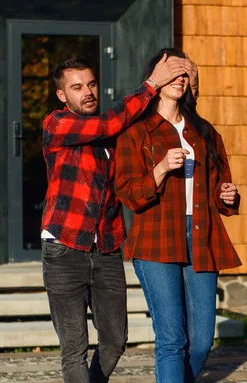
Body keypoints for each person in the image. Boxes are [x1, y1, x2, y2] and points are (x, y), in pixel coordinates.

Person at [41, 56, 197, 383]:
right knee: (74, 348)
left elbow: (142, 124)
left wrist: (184, 86)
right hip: (64, 247)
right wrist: (151, 83)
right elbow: (108, 124)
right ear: (62, 95)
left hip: (108, 248)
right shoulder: (57, 124)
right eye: (77, 87)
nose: (87, 92)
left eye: (92, 84)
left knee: (114, 340)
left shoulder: (117, 131)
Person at [114, 48, 242, 383]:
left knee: (200, 341)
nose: (179, 78)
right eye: (171, 70)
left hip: (202, 236)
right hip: (156, 239)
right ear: (155, 77)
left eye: (184, 73)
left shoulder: (204, 132)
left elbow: (220, 187)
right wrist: (158, 170)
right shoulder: (137, 132)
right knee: (172, 339)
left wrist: (227, 195)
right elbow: (128, 193)